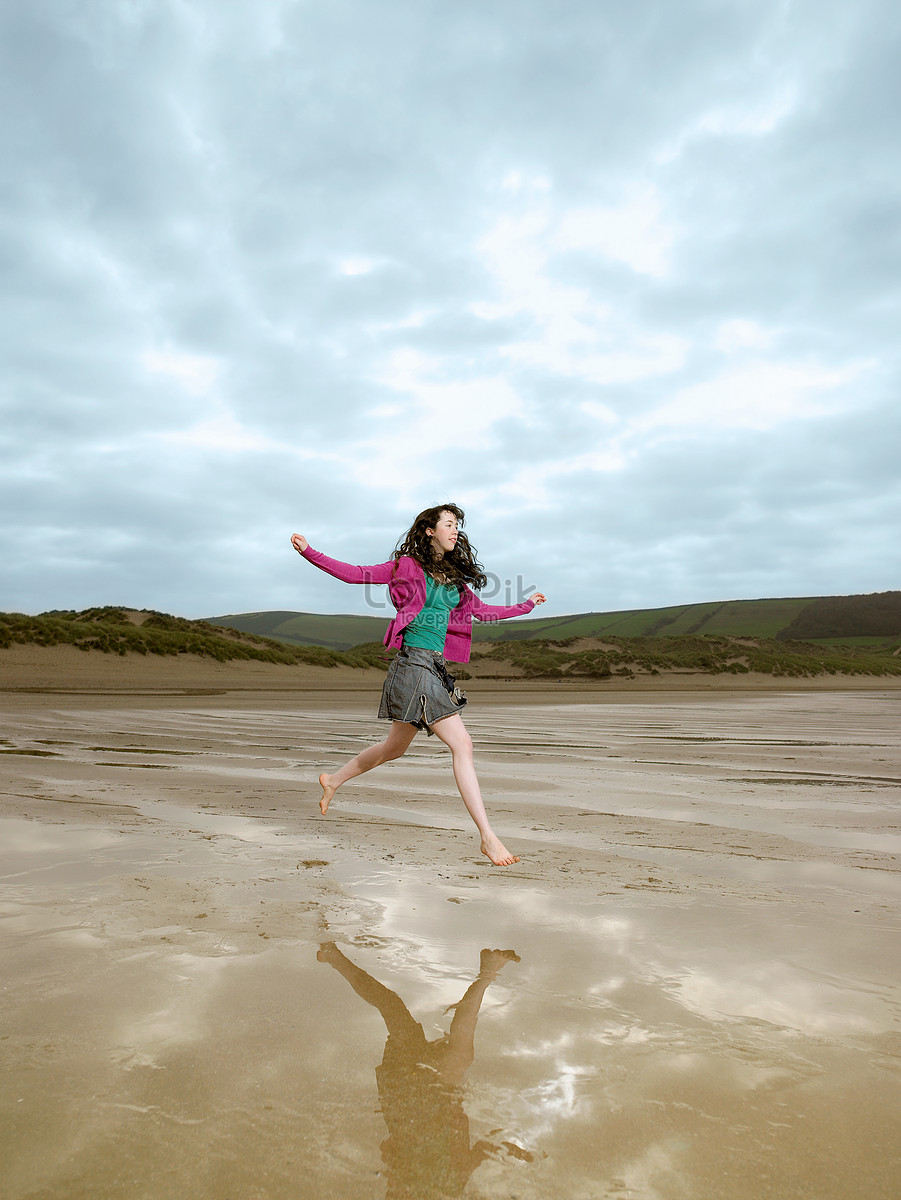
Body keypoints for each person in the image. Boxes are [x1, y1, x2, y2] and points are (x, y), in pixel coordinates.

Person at [291, 503, 546, 865]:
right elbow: (356, 574)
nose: (455, 530)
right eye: (448, 524)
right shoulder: (406, 567)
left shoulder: (455, 580)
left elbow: (483, 612)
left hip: (435, 668)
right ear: (429, 530)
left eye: (457, 525)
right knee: (464, 744)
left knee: (395, 748)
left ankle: (333, 780)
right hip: (413, 665)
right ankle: (488, 838)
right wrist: (310, 552)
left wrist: (525, 605)